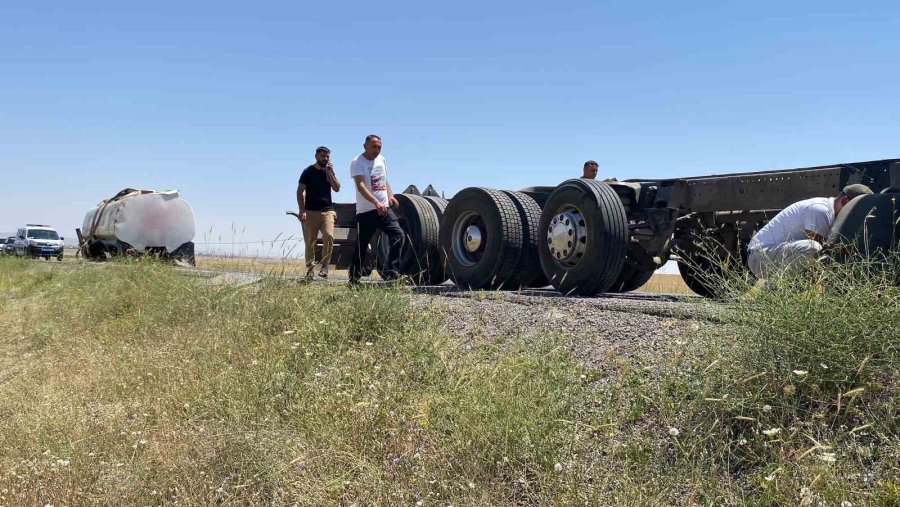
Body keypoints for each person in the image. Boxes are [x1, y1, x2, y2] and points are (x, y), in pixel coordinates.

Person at [747, 184, 873, 278]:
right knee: (814, 248)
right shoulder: (821, 210)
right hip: (760, 257)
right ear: (844, 201)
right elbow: (822, 249)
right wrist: (848, 251)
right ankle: (774, 288)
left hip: (773, 256)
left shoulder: (829, 213)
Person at [347, 134, 405, 286]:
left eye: (379, 147)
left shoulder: (381, 159)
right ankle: (354, 279)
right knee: (362, 244)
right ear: (365, 146)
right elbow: (360, 186)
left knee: (398, 235)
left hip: (384, 209)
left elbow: (384, 180)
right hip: (366, 212)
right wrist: (376, 202)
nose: (377, 150)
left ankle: (392, 273)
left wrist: (390, 196)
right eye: (374, 146)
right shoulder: (357, 162)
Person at [297, 146, 341, 280]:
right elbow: (300, 191)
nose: (325, 159)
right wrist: (302, 210)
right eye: (322, 156)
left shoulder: (328, 172)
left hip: (327, 210)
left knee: (328, 235)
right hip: (311, 211)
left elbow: (337, 188)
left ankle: (325, 266)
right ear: (316, 156)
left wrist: (331, 173)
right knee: (310, 242)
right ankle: (310, 270)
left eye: (327, 157)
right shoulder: (308, 171)